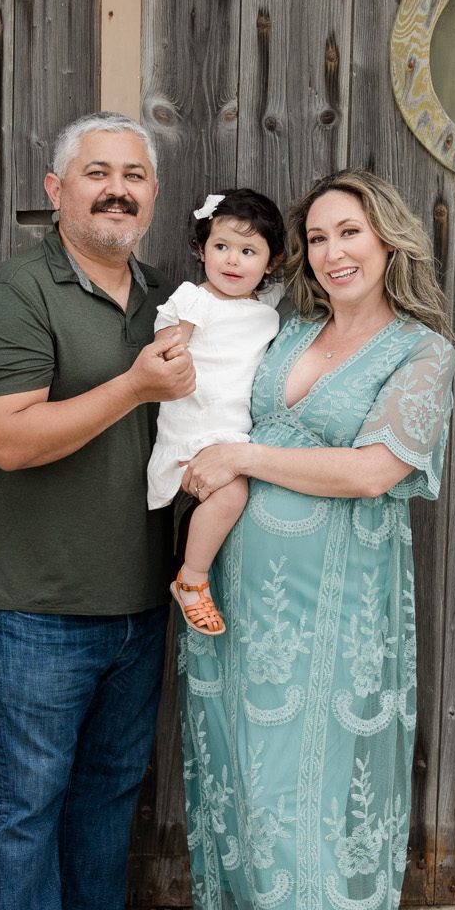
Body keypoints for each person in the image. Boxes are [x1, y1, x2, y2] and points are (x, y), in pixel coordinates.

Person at [174, 168, 455, 910]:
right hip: (240, 597)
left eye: (352, 233)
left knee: (316, 793)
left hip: (335, 603)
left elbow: (375, 470)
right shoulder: (289, 331)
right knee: (245, 784)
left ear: (388, 242)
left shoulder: (421, 353)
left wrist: (240, 454)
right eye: (321, 237)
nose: (334, 252)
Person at [0, 112, 192, 910]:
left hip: (136, 600)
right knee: (26, 803)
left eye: (134, 175)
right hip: (35, 604)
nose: (118, 189)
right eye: (97, 173)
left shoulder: (169, 303)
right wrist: (133, 388)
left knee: (107, 795)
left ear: (154, 195)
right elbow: (11, 440)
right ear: (56, 191)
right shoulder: (19, 295)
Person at [144, 187, 288, 637]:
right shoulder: (195, 300)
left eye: (249, 251)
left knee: (243, 499)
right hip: (197, 423)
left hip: (234, 433)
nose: (232, 260)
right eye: (221, 246)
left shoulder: (264, 311)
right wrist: (174, 357)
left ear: (270, 263)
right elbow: (166, 349)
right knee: (231, 495)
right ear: (202, 249)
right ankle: (191, 578)